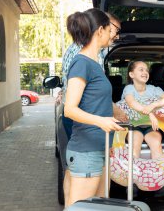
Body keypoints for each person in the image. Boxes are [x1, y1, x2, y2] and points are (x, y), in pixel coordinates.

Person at [60, 12, 126, 207]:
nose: (112, 35)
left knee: (98, 206)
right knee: (81, 207)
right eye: (109, 30)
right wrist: (101, 121)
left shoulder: (94, 63)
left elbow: (93, 98)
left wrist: (116, 111)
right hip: (86, 150)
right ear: (100, 31)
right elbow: (70, 109)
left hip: (99, 147)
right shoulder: (81, 63)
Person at [121, 60, 164, 159]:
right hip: (133, 126)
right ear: (131, 74)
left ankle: (158, 173)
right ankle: (133, 173)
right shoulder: (129, 88)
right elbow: (131, 103)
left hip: (151, 127)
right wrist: (150, 113)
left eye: (146, 70)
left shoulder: (154, 89)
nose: (145, 72)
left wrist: (154, 104)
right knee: (135, 142)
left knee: (156, 143)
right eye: (141, 70)